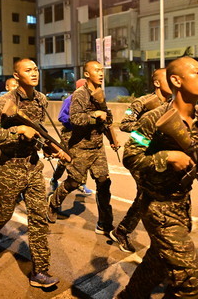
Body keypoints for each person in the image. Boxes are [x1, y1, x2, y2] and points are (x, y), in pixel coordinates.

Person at [116, 57, 198, 298]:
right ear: (176, 80)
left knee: (156, 263)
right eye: (196, 73)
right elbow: (130, 157)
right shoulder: (151, 119)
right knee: (190, 282)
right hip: (158, 207)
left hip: (181, 204)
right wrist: (165, 157)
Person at [0, 59, 65, 288]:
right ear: (16, 76)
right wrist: (18, 131)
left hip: (33, 166)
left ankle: (40, 271)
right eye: (28, 70)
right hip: (8, 167)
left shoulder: (41, 99)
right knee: (1, 214)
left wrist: (48, 146)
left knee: (38, 218)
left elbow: (37, 132)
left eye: (36, 68)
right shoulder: (2, 103)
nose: (34, 73)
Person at [47, 61, 115, 236]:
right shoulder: (80, 94)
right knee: (74, 182)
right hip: (80, 146)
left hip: (97, 146)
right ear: (86, 74)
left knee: (103, 182)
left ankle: (104, 223)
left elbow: (107, 117)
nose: (101, 73)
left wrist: (110, 134)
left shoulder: (100, 93)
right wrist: (94, 116)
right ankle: (53, 204)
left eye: (102, 70)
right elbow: (75, 119)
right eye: (96, 70)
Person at [110, 68, 172, 253]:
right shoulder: (142, 102)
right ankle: (123, 231)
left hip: (160, 156)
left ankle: (124, 230)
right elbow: (125, 124)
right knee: (148, 193)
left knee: (151, 195)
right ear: (157, 82)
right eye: (167, 79)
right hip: (140, 155)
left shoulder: (172, 104)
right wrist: (147, 132)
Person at [49, 78, 92, 196]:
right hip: (69, 134)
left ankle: (82, 184)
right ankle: (54, 179)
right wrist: (74, 123)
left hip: (83, 135)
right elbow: (61, 117)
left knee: (84, 159)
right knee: (64, 161)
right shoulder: (70, 99)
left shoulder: (90, 101)